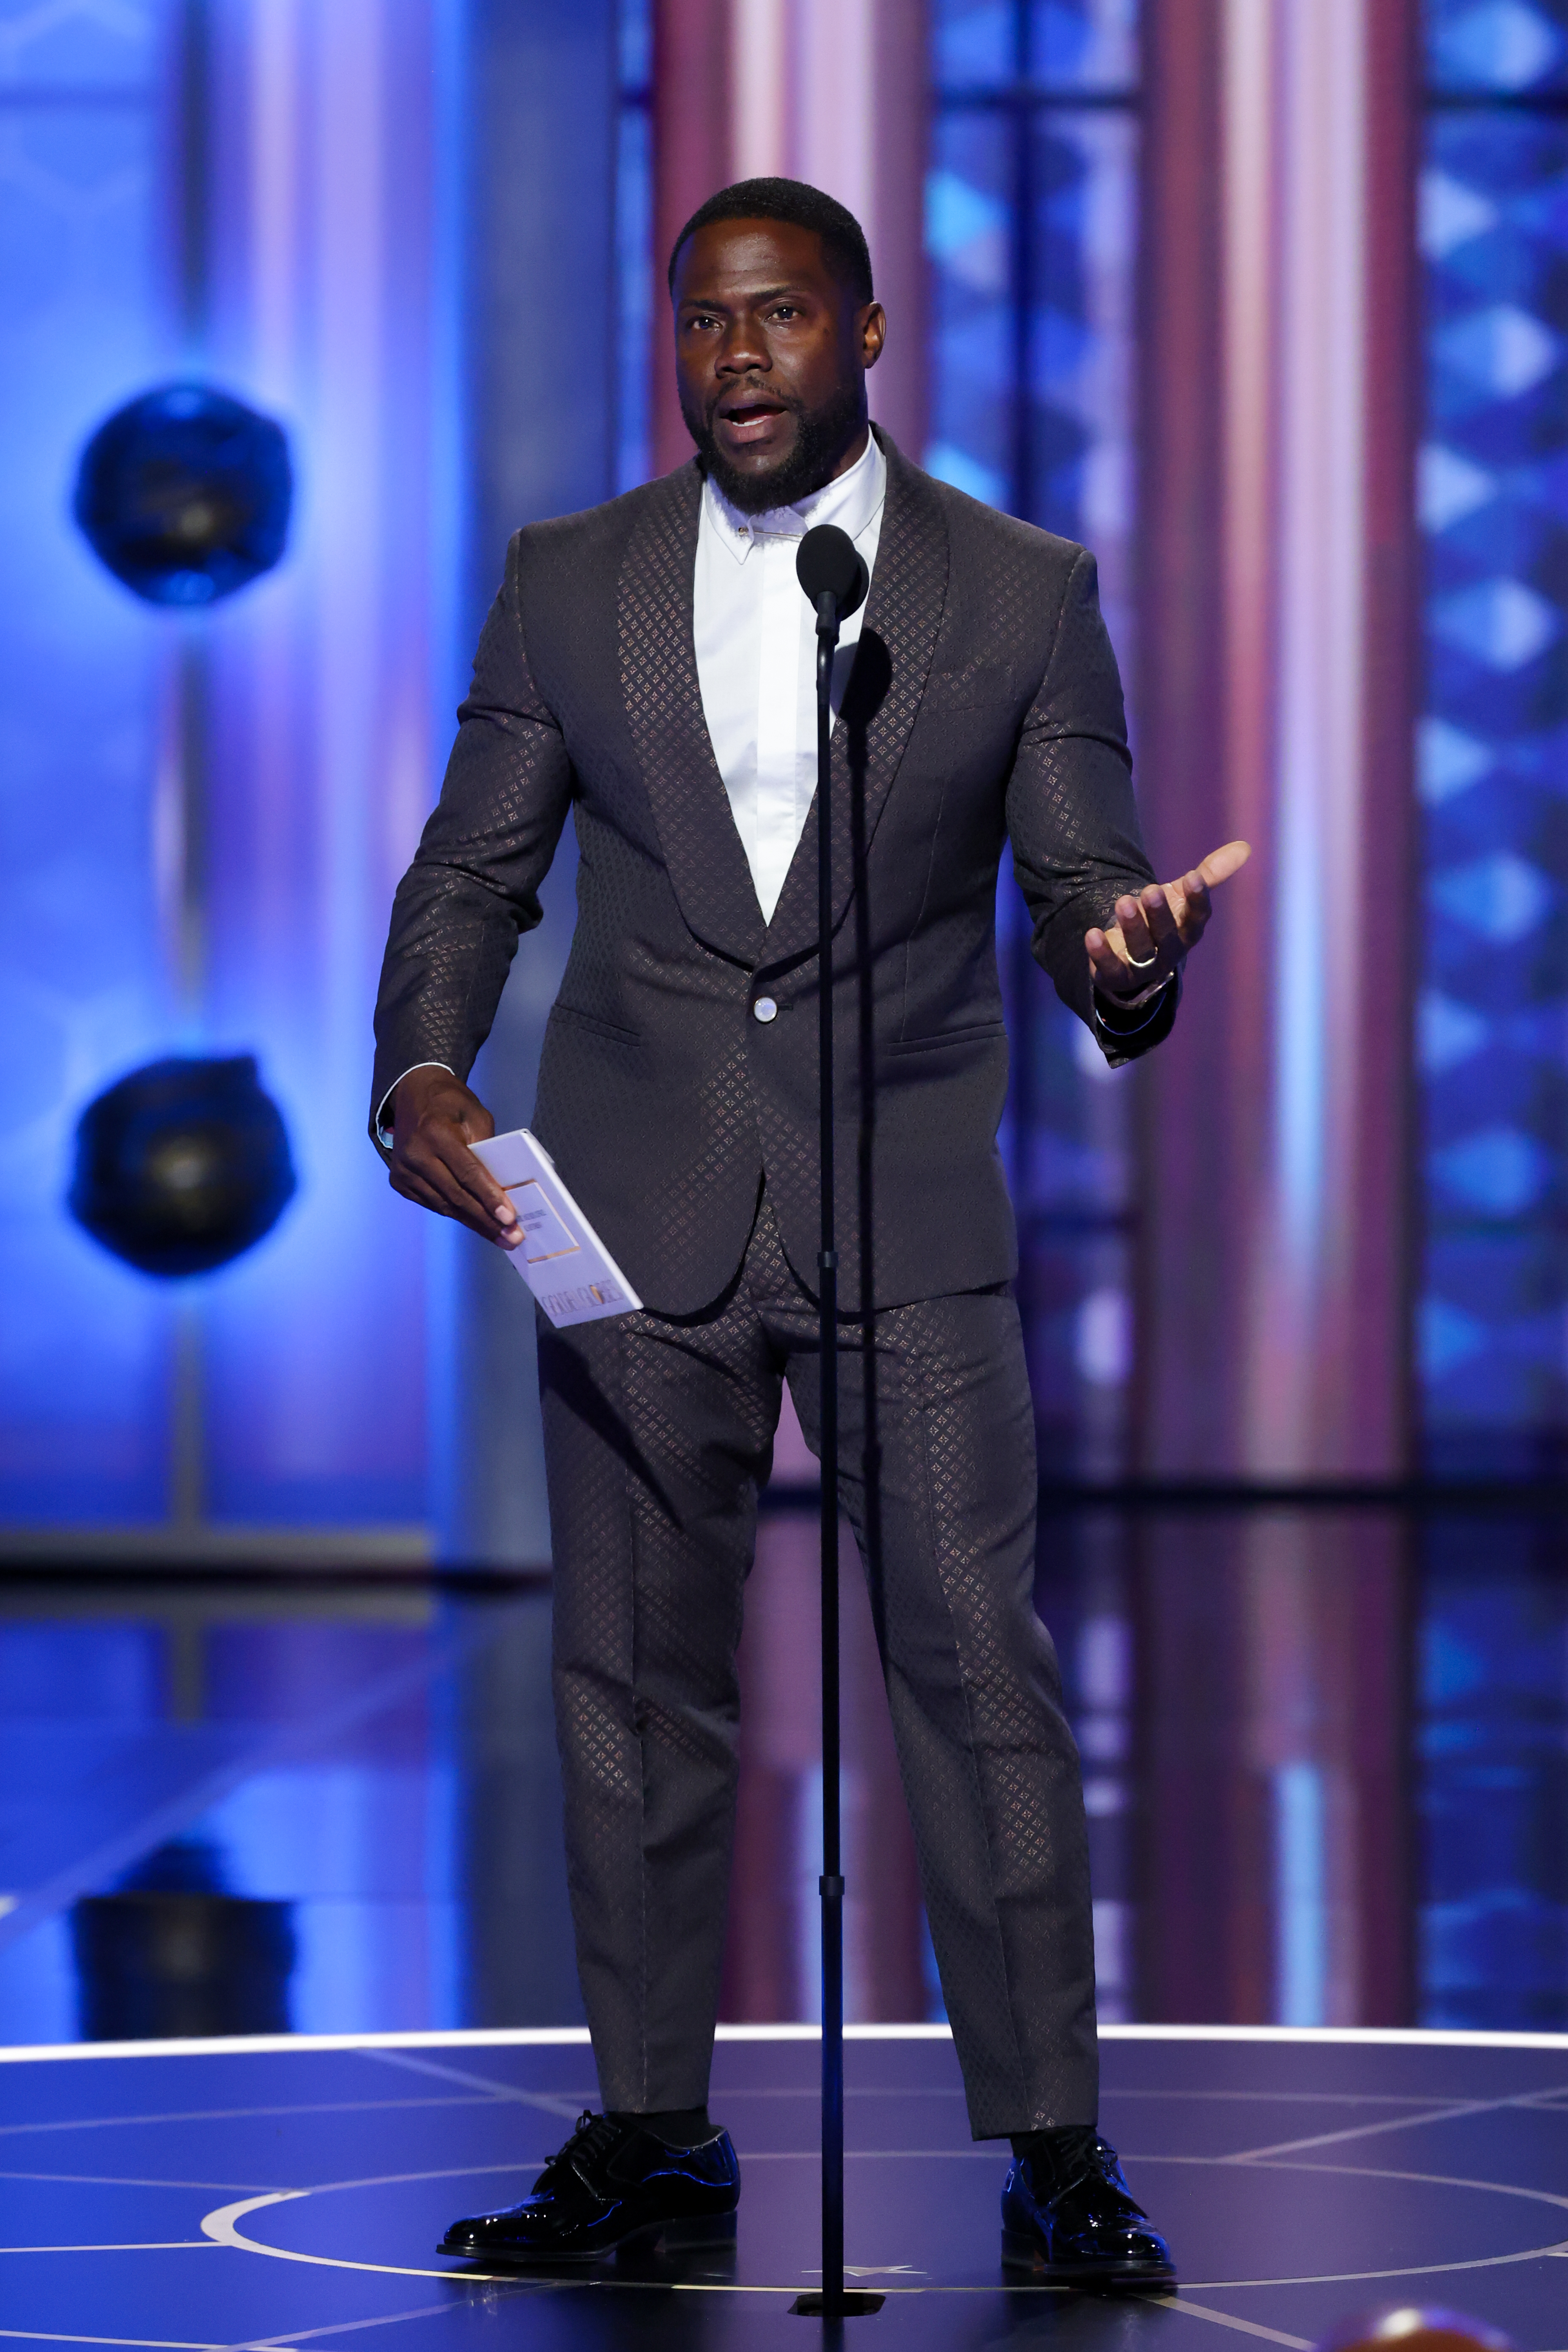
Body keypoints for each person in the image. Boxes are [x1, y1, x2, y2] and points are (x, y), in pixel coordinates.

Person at [371, 176, 1247, 2288]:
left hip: (903, 1209)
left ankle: (1055, 2144)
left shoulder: (1018, 592)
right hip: (629, 1203)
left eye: (778, 317)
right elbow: (476, 866)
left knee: (976, 1677)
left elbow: (1084, 886)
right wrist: (418, 1068)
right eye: (702, 321)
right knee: (630, 1693)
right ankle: (655, 2132)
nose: (734, 356)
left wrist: (1125, 957)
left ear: (866, 335)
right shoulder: (569, 581)